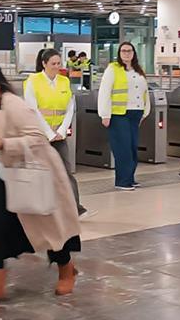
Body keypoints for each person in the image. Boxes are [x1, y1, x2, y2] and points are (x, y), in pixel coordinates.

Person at [0, 63, 81, 301]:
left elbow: (37, 137)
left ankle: (66, 269)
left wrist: (7, 144)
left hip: (29, 175)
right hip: (2, 175)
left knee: (47, 226)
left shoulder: (13, 104)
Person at [25, 48, 93, 219]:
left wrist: (62, 130)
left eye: (58, 63)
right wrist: (49, 133)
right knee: (40, 172)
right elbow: (33, 110)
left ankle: (76, 208)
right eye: (53, 63)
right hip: (40, 134)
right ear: (44, 64)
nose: (57, 66)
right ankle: (38, 207)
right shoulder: (33, 81)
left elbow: (70, 107)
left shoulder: (64, 81)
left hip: (59, 135)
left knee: (65, 172)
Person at [98, 42, 150, 190]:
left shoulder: (138, 70)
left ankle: (130, 178)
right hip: (119, 113)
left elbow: (145, 92)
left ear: (134, 53)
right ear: (119, 53)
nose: (126, 53)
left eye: (129, 51)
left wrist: (145, 112)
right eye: (123, 51)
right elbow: (105, 92)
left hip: (136, 112)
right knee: (123, 148)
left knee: (132, 147)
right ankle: (122, 181)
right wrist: (104, 114)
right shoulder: (113, 69)